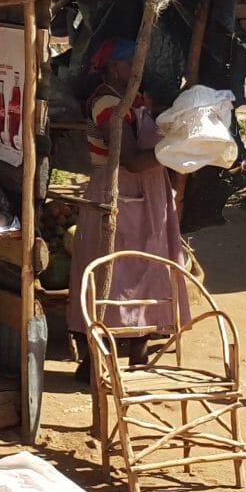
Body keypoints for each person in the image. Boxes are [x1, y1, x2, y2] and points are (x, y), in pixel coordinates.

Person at [70, 38, 185, 356]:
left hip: (147, 192)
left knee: (146, 268)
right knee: (113, 271)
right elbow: (131, 160)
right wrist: (177, 150)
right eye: (131, 63)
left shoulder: (130, 99)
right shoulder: (107, 104)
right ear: (113, 68)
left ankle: (138, 351)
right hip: (118, 189)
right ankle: (92, 358)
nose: (138, 68)